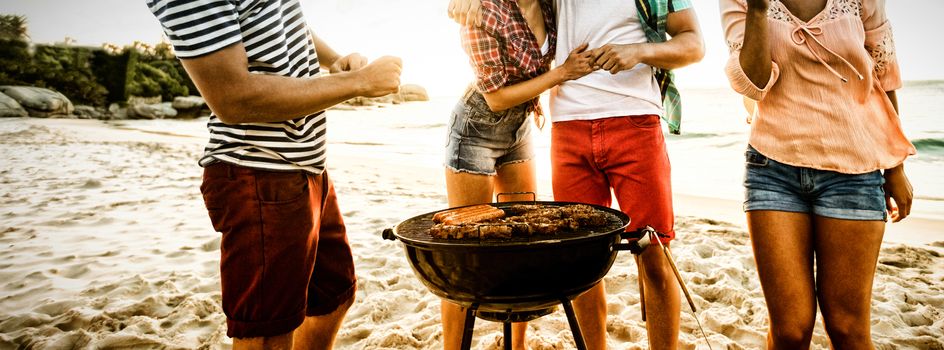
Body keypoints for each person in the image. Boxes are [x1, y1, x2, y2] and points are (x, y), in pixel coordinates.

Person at [146, 0, 402, 348]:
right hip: (258, 173)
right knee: (268, 333)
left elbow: (279, 14)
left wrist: (334, 61)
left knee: (334, 295)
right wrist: (358, 83)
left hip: (306, 165)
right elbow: (233, 98)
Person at [450, 0, 704, 348]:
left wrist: (640, 51)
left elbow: (694, 44)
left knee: (654, 252)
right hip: (568, 128)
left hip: (635, 122)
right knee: (580, 264)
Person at [719, 0, 915, 348]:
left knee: (847, 328)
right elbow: (753, 84)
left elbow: (884, 74)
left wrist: (895, 164)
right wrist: (759, 11)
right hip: (772, 168)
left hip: (855, 170)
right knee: (790, 330)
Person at [442, 0, 595, 348]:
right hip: (476, 130)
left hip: (520, 128)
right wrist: (562, 73)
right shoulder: (484, 12)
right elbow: (495, 99)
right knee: (463, 256)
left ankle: (518, 344)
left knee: (521, 245)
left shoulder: (551, 6)